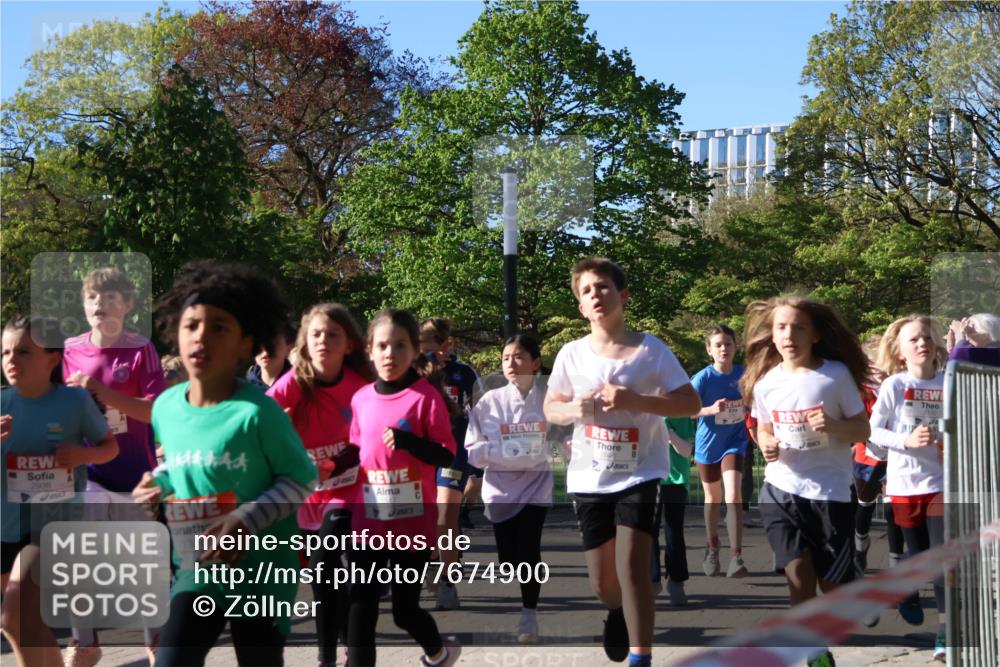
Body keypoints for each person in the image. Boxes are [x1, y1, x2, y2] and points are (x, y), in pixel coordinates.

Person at [131, 261, 317, 667]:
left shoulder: (257, 413)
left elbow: (302, 478)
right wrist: (157, 486)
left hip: (262, 573)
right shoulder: (165, 407)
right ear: (175, 335)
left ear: (245, 343)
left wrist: (245, 521)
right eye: (192, 325)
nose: (202, 336)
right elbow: (184, 464)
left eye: (219, 327)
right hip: (197, 568)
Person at [544, 257, 700, 667]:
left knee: (633, 570)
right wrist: (574, 409)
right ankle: (616, 612)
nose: (596, 294)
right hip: (589, 477)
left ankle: (640, 656)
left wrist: (636, 401)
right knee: (603, 584)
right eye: (587, 291)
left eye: (604, 287)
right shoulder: (571, 354)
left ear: (623, 295)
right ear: (581, 306)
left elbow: (690, 401)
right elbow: (550, 408)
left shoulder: (651, 350)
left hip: (641, 472)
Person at [742, 296, 871, 667]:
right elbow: (763, 426)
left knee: (831, 585)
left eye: (799, 327)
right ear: (772, 334)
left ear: (815, 334)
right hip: (781, 488)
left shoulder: (834, 375)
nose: (789, 335)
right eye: (781, 327)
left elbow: (862, 428)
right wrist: (764, 441)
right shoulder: (765, 382)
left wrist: (832, 426)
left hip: (830, 490)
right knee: (799, 574)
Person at [61, 267, 166, 667]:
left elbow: (155, 409)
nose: (99, 305)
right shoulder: (69, 348)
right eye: (92, 298)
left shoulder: (141, 350)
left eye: (109, 297)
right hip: (87, 472)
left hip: (133, 473)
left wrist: (101, 392)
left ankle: (155, 641)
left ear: (128, 305)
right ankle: (83, 643)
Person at [1, 316, 118, 667]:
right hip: (6, 525)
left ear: (52, 358)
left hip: (54, 522)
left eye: (23, 351)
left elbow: (109, 446)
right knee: (19, 625)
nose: (11, 359)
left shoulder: (74, 402)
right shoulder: (2, 403)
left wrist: (83, 454)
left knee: (15, 613)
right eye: (5, 351)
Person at [347, 309, 460, 667]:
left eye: (399, 346)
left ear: (414, 351)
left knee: (403, 612)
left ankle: (438, 653)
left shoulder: (425, 398)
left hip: (412, 526)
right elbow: (355, 451)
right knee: (361, 602)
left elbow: (445, 455)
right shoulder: (362, 398)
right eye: (382, 345)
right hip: (368, 521)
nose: (390, 354)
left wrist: (408, 442)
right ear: (369, 350)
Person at [266, 303, 373, 667]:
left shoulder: (361, 387)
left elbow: (369, 438)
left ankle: (326, 658)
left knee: (325, 562)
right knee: (323, 577)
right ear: (304, 343)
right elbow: (258, 418)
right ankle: (342, 642)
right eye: (316, 334)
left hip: (351, 489)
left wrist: (335, 463)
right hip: (306, 493)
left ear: (350, 344)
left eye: (333, 334)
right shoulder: (295, 382)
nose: (323, 341)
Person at [869, 315, 948, 660]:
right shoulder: (894, 386)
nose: (922, 343)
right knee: (918, 556)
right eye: (914, 339)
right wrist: (906, 439)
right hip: (904, 483)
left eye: (927, 337)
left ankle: (946, 633)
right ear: (900, 351)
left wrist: (951, 436)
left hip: (943, 481)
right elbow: (873, 431)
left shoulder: (951, 383)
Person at [465, 334, 553, 644]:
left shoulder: (550, 399)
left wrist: (554, 448)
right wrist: (506, 452)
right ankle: (521, 584)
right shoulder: (490, 401)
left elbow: (564, 439)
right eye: (505, 358)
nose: (511, 364)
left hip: (536, 489)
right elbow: (473, 450)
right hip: (500, 492)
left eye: (518, 357)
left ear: (535, 362)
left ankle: (529, 615)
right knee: (510, 562)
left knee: (529, 552)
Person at [419, 317, 479, 610]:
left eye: (428, 345)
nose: (423, 351)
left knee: (445, 515)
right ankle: (435, 559)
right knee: (426, 519)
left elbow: (481, 412)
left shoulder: (463, 373)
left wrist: (479, 459)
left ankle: (447, 581)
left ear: (445, 345)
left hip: (454, 452)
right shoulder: (414, 373)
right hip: (421, 454)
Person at [690, 324, 750, 578]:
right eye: (718, 345)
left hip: (735, 442)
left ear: (736, 347)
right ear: (709, 350)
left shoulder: (745, 375)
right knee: (713, 499)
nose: (723, 348)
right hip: (707, 445)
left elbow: (758, 401)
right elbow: (688, 410)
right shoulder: (703, 378)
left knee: (734, 495)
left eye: (728, 344)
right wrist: (710, 410)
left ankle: (736, 556)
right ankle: (712, 547)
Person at [851, 336, 905, 578]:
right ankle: (860, 543)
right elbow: (855, 422)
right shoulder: (859, 393)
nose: (878, 372)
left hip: (896, 457)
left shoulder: (898, 388)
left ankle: (896, 562)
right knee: (865, 505)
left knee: (893, 508)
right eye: (873, 366)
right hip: (868, 456)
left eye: (882, 365)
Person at [649, 416, 694, 606]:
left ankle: (676, 581)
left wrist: (670, 434)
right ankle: (651, 580)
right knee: (647, 532)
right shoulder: (645, 412)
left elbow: (686, 452)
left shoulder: (680, 414)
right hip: (649, 479)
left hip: (676, 480)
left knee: (674, 531)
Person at [246, 320, 295, 389]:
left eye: (273, 343)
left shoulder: (299, 385)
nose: (265, 350)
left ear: (289, 349)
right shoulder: (245, 387)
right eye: (258, 343)